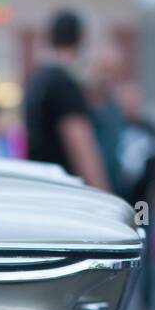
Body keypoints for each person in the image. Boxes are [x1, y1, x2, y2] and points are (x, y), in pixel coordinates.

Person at [25, 10, 110, 190]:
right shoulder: (64, 84)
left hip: (43, 188)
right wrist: (105, 197)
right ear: (81, 38)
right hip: (67, 192)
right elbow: (82, 149)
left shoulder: (38, 80)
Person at [116, 81, 155, 310]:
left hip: (142, 200)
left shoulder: (150, 129)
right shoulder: (114, 127)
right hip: (119, 200)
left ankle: (148, 302)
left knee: (145, 247)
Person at [86, 44, 125, 194]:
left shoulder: (115, 107)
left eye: (112, 72)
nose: (106, 78)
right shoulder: (81, 107)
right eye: (103, 70)